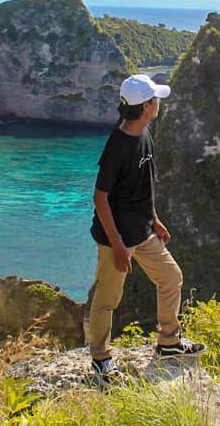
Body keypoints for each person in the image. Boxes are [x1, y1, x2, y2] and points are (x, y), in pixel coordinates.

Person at [86, 74, 205, 383]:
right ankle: (100, 358)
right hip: (117, 239)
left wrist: (154, 218)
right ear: (147, 106)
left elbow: (143, 186)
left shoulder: (145, 133)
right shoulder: (118, 145)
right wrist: (118, 245)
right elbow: (100, 199)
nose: (159, 104)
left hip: (142, 230)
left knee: (170, 277)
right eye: (156, 99)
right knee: (107, 298)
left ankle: (169, 342)